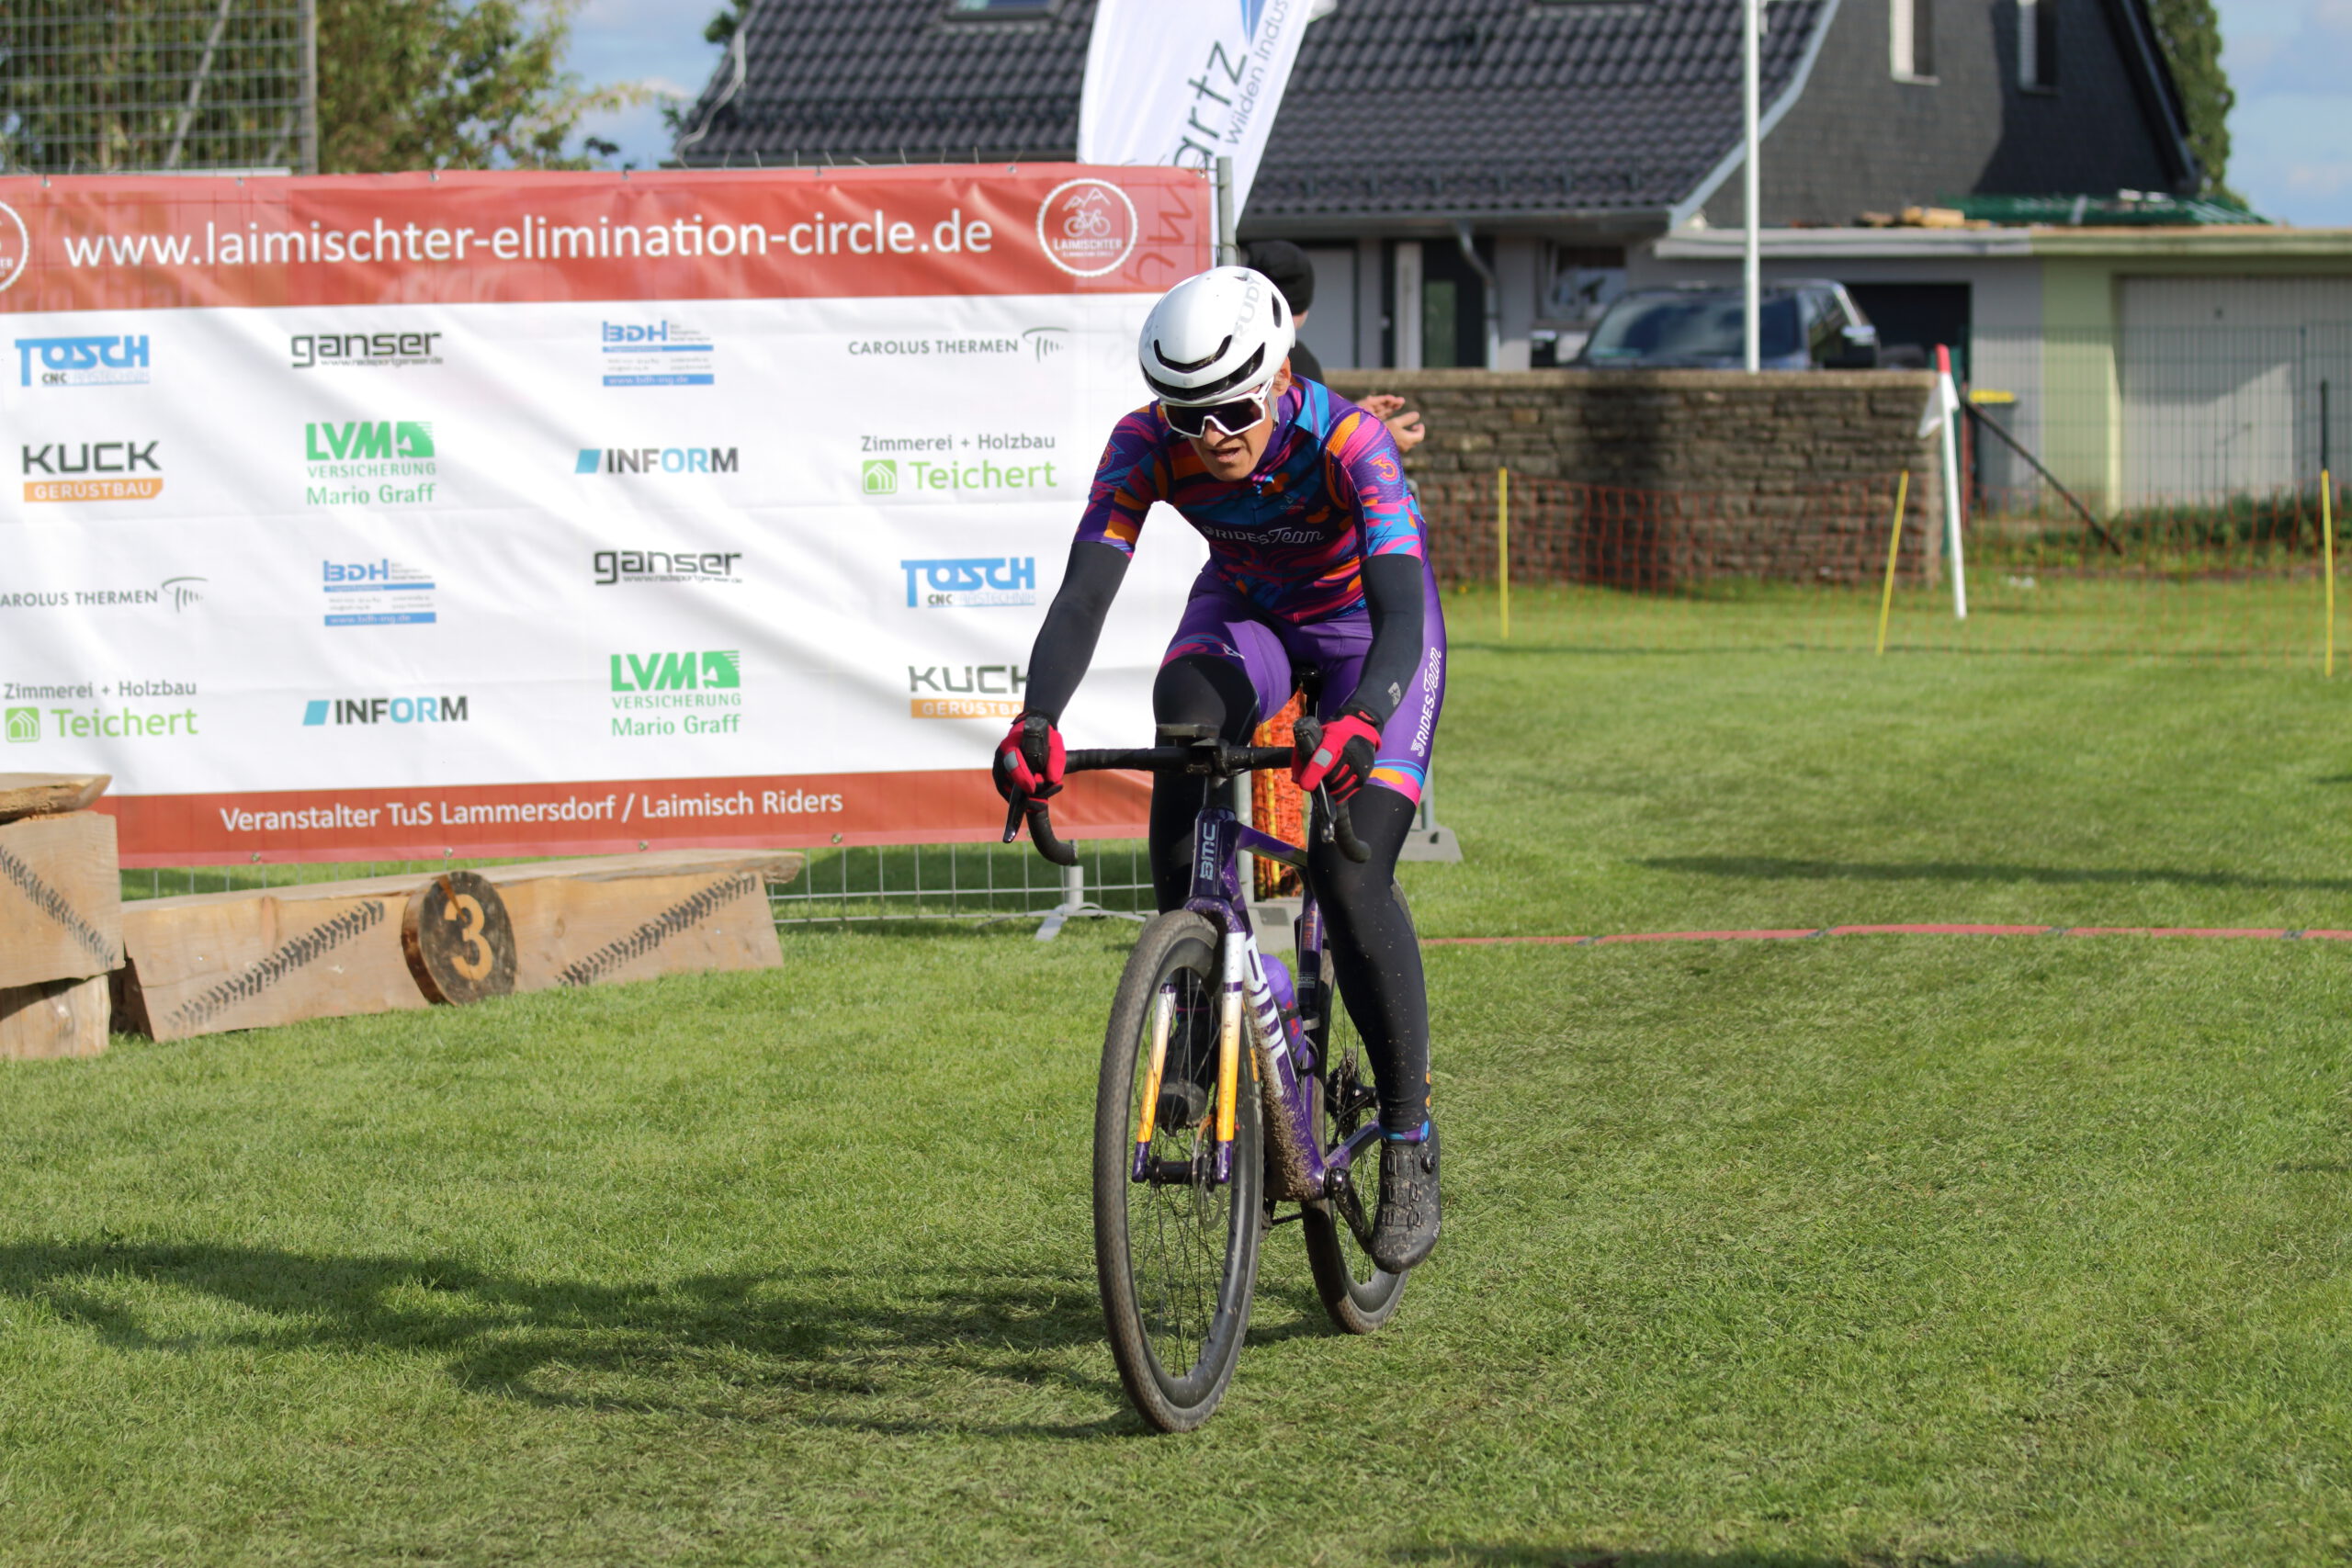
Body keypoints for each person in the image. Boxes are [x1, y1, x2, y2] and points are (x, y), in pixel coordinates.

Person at [992, 265, 1446, 1271]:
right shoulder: (1144, 442)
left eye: (1234, 410)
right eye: (1186, 415)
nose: (1211, 436)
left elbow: (1400, 608)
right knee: (1186, 724)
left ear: (1280, 378)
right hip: (1250, 612)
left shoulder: (1349, 442)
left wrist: (1364, 719)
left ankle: (1408, 1135)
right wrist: (1037, 718)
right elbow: (1083, 595)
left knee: (1351, 869)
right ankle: (1197, 996)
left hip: (1368, 635)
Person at [1245, 239, 1429, 456]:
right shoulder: (1295, 361)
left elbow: (1307, 428)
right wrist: (1375, 440)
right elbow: (1302, 452)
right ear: (1303, 306)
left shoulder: (1236, 352)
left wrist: (1346, 417)